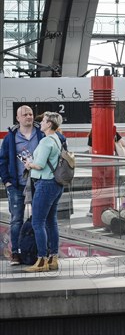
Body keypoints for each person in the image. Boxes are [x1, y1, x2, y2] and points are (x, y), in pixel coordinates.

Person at [0, 105, 44, 266]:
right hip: (17, 185)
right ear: (18, 118)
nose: (29, 117)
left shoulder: (41, 134)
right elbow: (2, 160)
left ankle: (39, 252)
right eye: (25, 114)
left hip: (38, 183)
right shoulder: (11, 137)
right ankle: (16, 252)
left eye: (31, 114)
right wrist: (7, 181)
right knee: (16, 220)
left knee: (39, 219)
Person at [23, 112, 65, 272]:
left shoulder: (47, 141)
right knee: (51, 221)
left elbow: (40, 164)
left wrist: (29, 164)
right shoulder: (57, 139)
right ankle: (53, 258)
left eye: (44, 121)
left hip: (45, 184)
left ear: (49, 124)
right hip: (55, 184)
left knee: (37, 222)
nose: (41, 123)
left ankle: (41, 261)